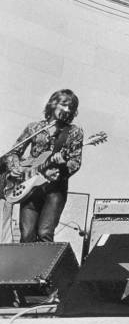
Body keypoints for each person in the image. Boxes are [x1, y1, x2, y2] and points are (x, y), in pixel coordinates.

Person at [5, 90, 83, 242]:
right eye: (64, 104)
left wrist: (63, 165)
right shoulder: (34, 128)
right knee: (27, 234)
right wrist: (16, 168)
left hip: (55, 189)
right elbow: (14, 152)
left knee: (44, 233)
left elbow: (76, 161)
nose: (67, 110)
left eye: (71, 107)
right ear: (53, 104)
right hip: (29, 187)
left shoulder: (74, 132)